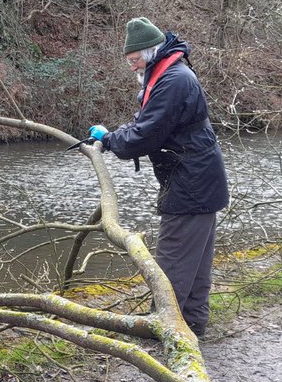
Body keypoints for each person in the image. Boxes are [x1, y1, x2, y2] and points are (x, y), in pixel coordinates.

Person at [87, 17, 229, 338]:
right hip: (197, 178)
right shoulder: (167, 73)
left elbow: (145, 135)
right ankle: (191, 327)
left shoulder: (174, 79)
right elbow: (146, 123)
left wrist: (109, 140)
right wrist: (116, 135)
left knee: (173, 261)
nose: (131, 65)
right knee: (195, 264)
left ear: (151, 51)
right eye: (128, 60)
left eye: (134, 58)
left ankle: (165, 328)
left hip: (190, 183)